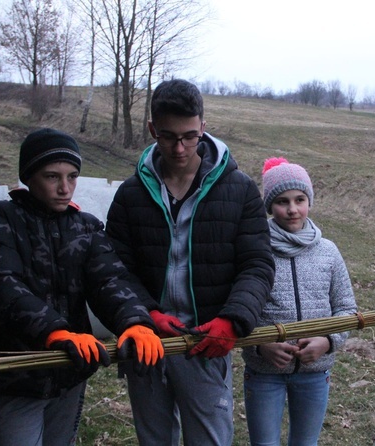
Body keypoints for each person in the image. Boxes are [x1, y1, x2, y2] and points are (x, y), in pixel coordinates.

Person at [0, 128, 165, 446]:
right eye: (51, 176)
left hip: (70, 367)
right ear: (29, 176)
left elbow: (109, 281)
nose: (64, 188)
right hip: (16, 374)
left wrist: (136, 322)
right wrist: (53, 332)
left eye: (72, 177)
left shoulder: (84, 226)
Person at [105, 79, 275, 445]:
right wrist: (143, 314)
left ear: (203, 126)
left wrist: (233, 320)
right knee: (154, 438)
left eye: (190, 136)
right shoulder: (130, 195)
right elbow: (116, 269)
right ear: (152, 129)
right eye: (168, 137)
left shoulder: (240, 190)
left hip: (206, 341)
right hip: (146, 342)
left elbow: (257, 265)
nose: (180, 148)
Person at [241, 157, 358, 446]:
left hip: (315, 374)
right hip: (264, 373)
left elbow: (346, 308)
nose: (292, 209)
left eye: (299, 199)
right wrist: (259, 345)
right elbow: (239, 311)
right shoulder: (254, 250)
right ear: (269, 206)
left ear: (309, 200)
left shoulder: (328, 252)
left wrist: (328, 341)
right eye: (282, 201)